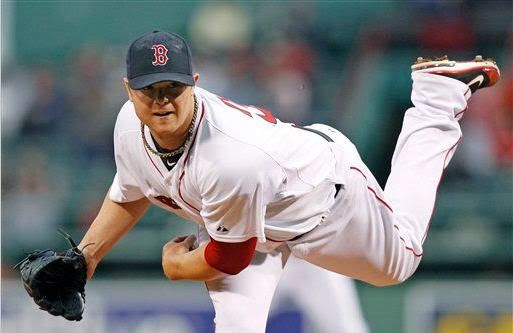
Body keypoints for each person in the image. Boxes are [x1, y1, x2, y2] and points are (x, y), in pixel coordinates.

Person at [77, 30, 500, 332]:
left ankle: (437, 98)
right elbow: (129, 192)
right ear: (128, 90)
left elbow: (229, 258)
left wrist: (177, 266)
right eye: (150, 89)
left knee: (399, 262)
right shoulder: (128, 127)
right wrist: (84, 259)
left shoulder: (230, 157)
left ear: (196, 85)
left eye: (173, 86)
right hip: (249, 222)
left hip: (321, 200)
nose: (162, 99)